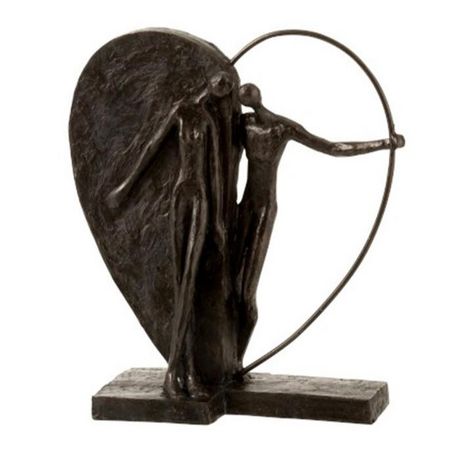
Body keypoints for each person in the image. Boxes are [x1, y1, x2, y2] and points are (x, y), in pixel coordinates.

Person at [234, 83, 405, 367]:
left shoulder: (281, 128)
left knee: (245, 292)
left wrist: (385, 144)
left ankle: (236, 361)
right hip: (242, 207)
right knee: (230, 286)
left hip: (263, 209)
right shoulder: (242, 124)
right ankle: (225, 361)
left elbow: (333, 148)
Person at [107, 72, 234, 399]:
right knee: (182, 284)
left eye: (226, 87)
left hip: (201, 198)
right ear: (208, 82)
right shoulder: (181, 112)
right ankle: (180, 371)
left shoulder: (208, 121)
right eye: (219, 82)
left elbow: (215, 173)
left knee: (189, 281)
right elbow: (151, 149)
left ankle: (182, 372)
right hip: (181, 195)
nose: (222, 87)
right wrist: (125, 188)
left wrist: (218, 223)